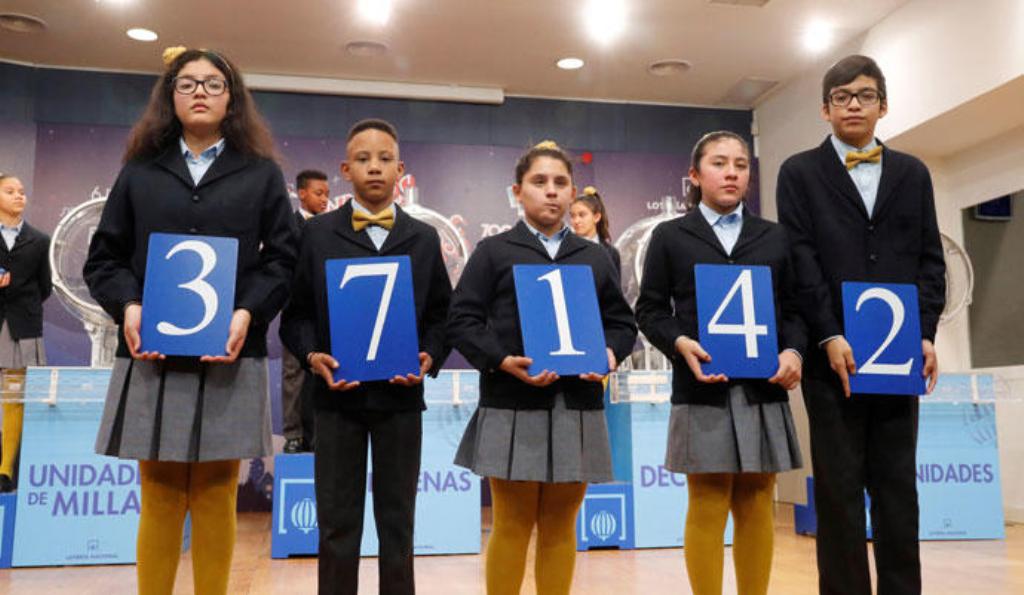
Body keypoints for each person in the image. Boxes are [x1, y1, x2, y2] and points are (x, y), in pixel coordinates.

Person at [83, 46, 297, 595]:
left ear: (232, 99)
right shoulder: (139, 172)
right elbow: (104, 259)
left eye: (213, 83)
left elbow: (283, 259)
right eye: (187, 83)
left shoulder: (262, 175)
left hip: (230, 353)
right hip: (151, 353)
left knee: (216, 490)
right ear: (170, 96)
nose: (200, 91)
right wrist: (129, 306)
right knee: (157, 491)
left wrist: (247, 312)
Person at [776, 54, 945, 595]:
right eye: (842, 96)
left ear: (883, 106)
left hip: (899, 358)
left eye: (865, 95)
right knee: (839, 493)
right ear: (825, 109)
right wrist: (828, 334)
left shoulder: (913, 173)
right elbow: (801, 261)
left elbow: (929, 260)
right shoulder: (798, 172)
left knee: (898, 491)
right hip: (831, 361)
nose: (854, 104)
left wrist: (925, 333)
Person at [448, 140, 637, 595]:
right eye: (539, 181)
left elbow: (621, 323)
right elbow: (462, 319)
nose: (551, 191)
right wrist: (501, 360)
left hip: (578, 405)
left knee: (560, 524)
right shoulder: (493, 251)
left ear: (572, 192)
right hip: (511, 403)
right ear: (517, 191)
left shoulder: (596, 256)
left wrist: (610, 355)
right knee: (512, 523)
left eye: (560, 182)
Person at [280, 118, 452, 595]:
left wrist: (430, 355)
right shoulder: (317, 235)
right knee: (336, 527)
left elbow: (442, 315)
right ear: (345, 169)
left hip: (401, 401)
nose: (374, 167)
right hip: (336, 401)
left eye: (384, 159)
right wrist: (312, 355)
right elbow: (295, 316)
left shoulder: (423, 238)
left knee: (398, 526)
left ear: (401, 169)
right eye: (362, 159)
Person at [635, 131, 805, 595]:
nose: (731, 173)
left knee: (757, 502)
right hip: (702, 389)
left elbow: (795, 309)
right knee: (707, 502)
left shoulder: (775, 237)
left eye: (741, 165)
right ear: (694, 175)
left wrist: (793, 351)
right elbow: (650, 310)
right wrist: (680, 343)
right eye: (719, 163)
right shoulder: (670, 236)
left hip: (764, 387)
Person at [0, 173, 52, 493]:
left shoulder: (40, 241)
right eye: (10, 191)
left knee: (14, 399)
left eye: (21, 191)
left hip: (22, 329)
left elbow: (44, 287)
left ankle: (5, 470)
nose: (19, 196)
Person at [281, 168, 330, 454]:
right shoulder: (288, 226)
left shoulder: (330, 229)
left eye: (327, 194)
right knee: (293, 374)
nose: (324, 199)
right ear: (301, 194)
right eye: (318, 193)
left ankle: (317, 434)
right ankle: (293, 434)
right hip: (296, 313)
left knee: (321, 373)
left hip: (325, 314)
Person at [570, 186, 621, 278]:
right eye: (573, 216)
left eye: (582, 215)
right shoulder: (565, 250)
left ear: (596, 217)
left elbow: (614, 286)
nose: (576, 221)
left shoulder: (611, 253)